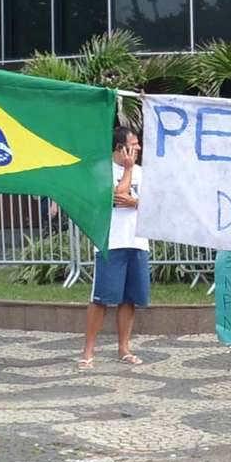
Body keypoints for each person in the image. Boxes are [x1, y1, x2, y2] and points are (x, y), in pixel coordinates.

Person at [81, 125, 149, 368]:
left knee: (129, 298)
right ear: (120, 148)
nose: (138, 148)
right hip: (111, 242)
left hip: (137, 241)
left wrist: (135, 201)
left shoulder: (144, 172)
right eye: (133, 144)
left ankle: (124, 348)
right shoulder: (102, 171)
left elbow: (149, 202)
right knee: (101, 298)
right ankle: (88, 351)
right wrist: (128, 172)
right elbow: (115, 197)